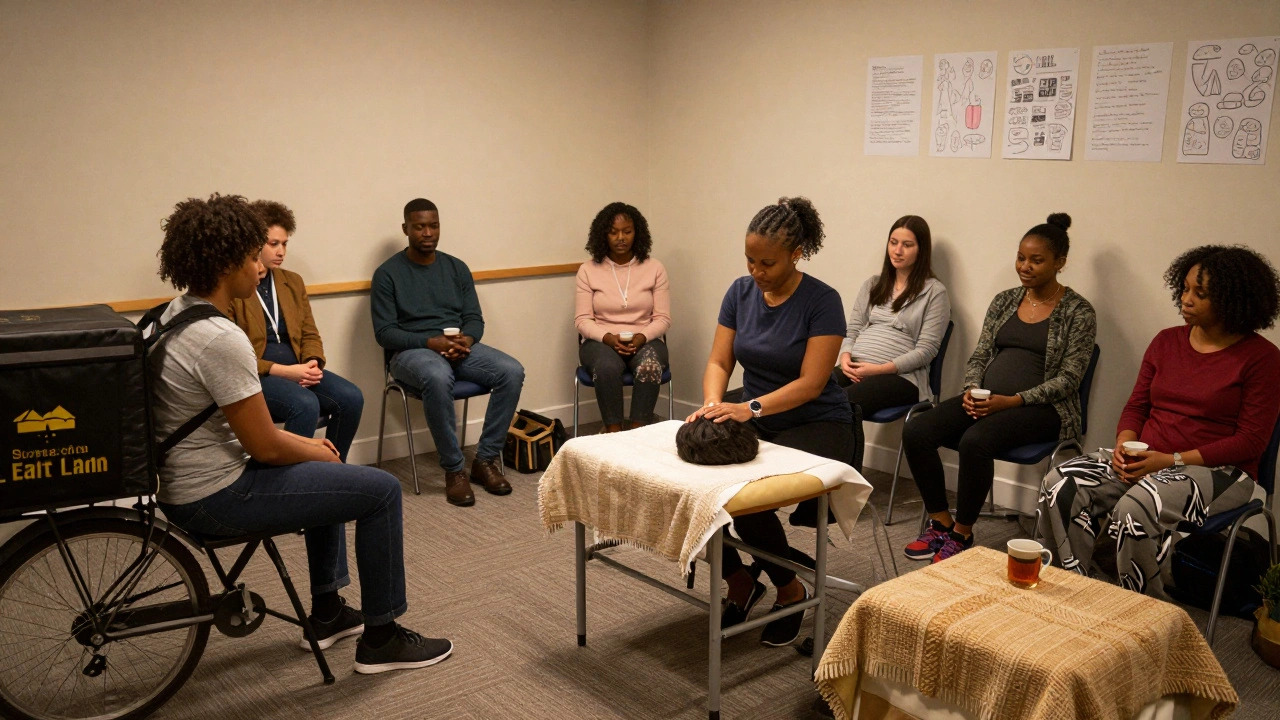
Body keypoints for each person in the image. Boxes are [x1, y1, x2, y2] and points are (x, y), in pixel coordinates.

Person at [152, 194, 450, 674]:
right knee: (380, 490)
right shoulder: (220, 337)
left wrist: (312, 456)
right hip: (214, 495)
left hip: (188, 481)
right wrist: (314, 448)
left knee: (327, 479)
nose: (261, 265)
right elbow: (267, 446)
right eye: (254, 255)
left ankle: (329, 611)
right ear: (229, 263)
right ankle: (382, 639)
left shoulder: (174, 313)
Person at [1039, 245, 1280, 598]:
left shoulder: (1262, 359)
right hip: (1150, 458)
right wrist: (1124, 445)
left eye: (1201, 293)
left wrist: (1171, 461)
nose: (1186, 299)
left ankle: (1141, 610)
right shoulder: (1166, 341)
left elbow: (1250, 441)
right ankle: (1076, 590)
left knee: (1135, 508)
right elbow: (1137, 405)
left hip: (1222, 472)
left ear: (1233, 300)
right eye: (1184, 288)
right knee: (1060, 481)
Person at [687, 196, 852, 647]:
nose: (756, 271)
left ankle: (790, 588)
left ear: (796, 253)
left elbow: (812, 383)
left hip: (818, 421)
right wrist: (712, 404)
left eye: (767, 262)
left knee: (751, 499)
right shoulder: (740, 292)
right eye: (750, 260)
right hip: (753, 408)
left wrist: (748, 409)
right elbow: (720, 361)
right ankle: (739, 579)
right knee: (695, 481)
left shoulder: (823, 302)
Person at [902, 213, 1096, 563]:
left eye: (1036, 260)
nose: (1025, 266)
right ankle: (941, 523)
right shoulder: (1005, 300)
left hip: (1045, 411)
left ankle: (962, 533)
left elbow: (1070, 379)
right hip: (989, 402)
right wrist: (972, 389)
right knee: (918, 430)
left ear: (1060, 263)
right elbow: (980, 354)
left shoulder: (1078, 312)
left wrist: (1013, 401)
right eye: (1021, 257)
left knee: (975, 441)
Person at [371, 198, 526, 507]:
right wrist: (432, 343)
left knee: (511, 371)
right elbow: (385, 333)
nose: (428, 232)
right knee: (437, 375)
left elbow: (474, 320)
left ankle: (484, 461)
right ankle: (455, 470)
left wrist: (466, 341)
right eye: (420, 226)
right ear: (406, 229)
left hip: (458, 348)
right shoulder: (387, 274)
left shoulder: (456, 268)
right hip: (410, 353)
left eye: (434, 225)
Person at [227, 200, 365, 462]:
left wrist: (312, 363)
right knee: (304, 404)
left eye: (285, 244)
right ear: (254, 243)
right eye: (273, 243)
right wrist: (286, 372)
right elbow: (236, 355)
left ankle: (333, 472)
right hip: (261, 373)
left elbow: (309, 332)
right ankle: (291, 481)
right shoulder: (237, 285)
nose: (281, 251)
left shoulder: (293, 281)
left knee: (351, 398)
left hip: (298, 367)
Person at [837, 215, 951, 418]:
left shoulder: (935, 292)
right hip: (855, 367)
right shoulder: (872, 284)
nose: (897, 251)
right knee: (811, 392)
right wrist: (845, 357)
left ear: (921, 250)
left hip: (901, 378)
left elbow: (927, 350)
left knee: (839, 405)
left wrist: (879, 369)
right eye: (893, 243)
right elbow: (852, 330)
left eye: (907, 245)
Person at [575, 202, 671, 433]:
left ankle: (638, 433)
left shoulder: (655, 268)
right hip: (600, 341)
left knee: (649, 366)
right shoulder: (588, 270)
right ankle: (613, 433)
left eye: (627, 231)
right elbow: (582, 320)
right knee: (607, 367)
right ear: (603, 235)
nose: (621, 238)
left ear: (637, 233)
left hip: (644, 339)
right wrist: (608, 338)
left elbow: (663, 318)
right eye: (613, 232)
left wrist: (641, 337)